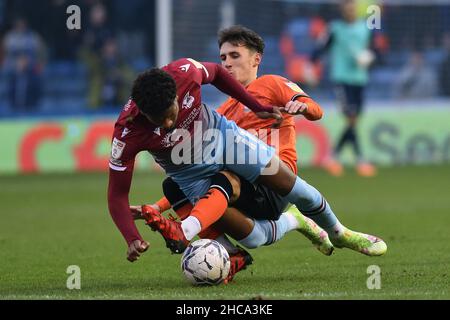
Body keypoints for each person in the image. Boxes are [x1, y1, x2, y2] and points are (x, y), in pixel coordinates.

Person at [108, 57, 387, 266]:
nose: (169, 123)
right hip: (190, 172)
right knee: (253, 239)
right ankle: (291, 222)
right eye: (160, 120)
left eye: (171, 113)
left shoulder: (186, 72)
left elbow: (216, 73)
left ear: (176, 95)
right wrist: (132, 237)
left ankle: (338, 233)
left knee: (296, 189)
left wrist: (258, 107)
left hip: (225, 139)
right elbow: (117, 194)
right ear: (143, 112)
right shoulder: (127, 133)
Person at [131, 26, 335, 282]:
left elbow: (317, 111)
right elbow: (192, 178)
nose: (226, 63)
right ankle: (246, 246)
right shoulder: (223, 113)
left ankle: (192, 231)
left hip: (277, 181)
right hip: (244, 186)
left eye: (234, 55)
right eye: (223, 58)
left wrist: (302, 106)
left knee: (226, 180)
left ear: (256, 59)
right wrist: (156, 207)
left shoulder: (273, 84)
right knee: (175, 185)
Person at [311, 0, 379, 177]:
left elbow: (376, 51)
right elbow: (319, 49)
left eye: (352, 8)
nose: (350, 11)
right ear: (342, 10)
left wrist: (369, 58)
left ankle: (332, 156)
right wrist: (311, 66)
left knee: (354, 119)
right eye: (347, 8)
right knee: (351, 117)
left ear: (356, 9)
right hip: (341, 79)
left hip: (360, 79)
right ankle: (360, 160)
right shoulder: (334, 28)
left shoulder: (366, 28)